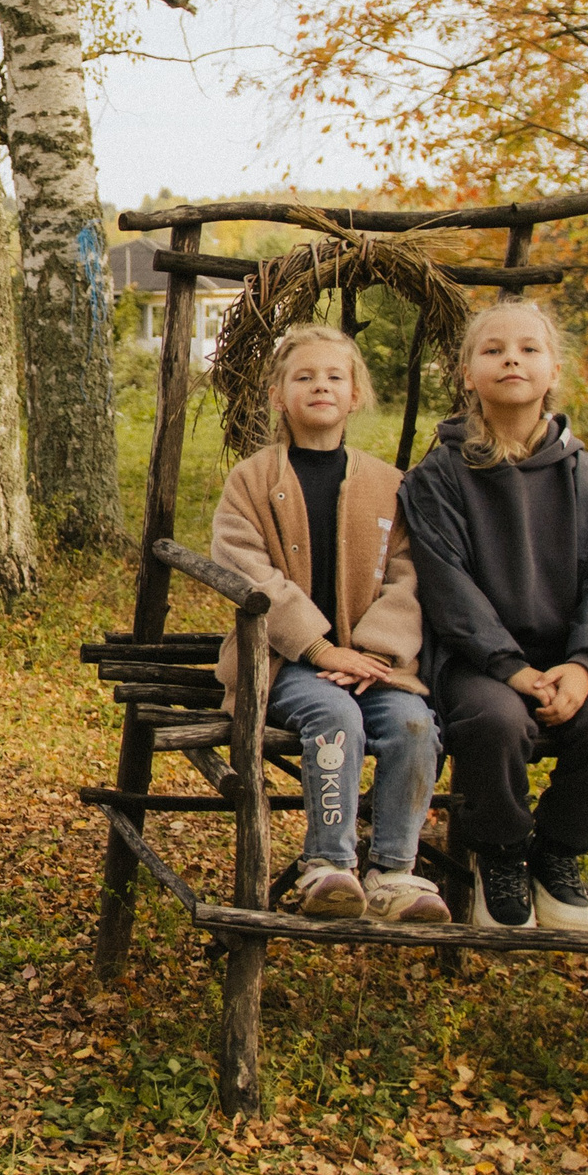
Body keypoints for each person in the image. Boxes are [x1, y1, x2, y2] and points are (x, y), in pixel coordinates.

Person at [400, 302, 588, 931]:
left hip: (568, 660)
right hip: (477, 662)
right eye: (494, 349)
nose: (512, 358)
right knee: (494, 722)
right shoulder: (441, 475)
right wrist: (509, 668)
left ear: (553, 368)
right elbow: (447, 585)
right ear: (467, 373)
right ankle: (502, 852)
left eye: (529, 348)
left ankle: (556, 852)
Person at [211, 325, 444, 922]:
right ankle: (329, 866)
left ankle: (395, 871)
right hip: (287, 661)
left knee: (415, 724)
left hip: (372, 664)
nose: (321, 386)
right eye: (304, 377)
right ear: (278, 395)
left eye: (335, 376)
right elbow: (246, 568)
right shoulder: (252, 480)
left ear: (356, 394)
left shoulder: (389, 485)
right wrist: (320, 649)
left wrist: (374, 653)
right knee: (334, 716)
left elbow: (409, 575)